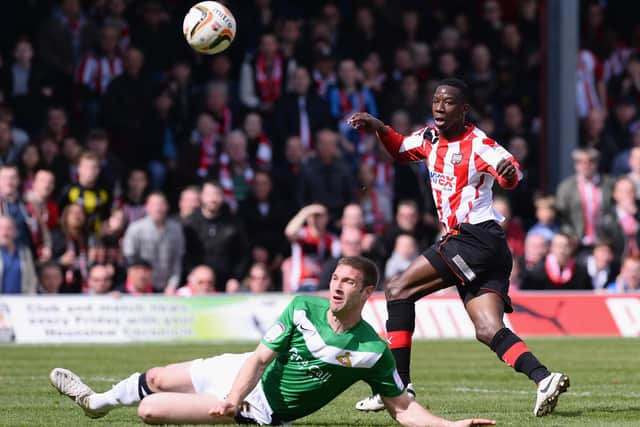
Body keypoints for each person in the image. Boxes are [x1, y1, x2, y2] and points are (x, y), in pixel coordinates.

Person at [50, 256, 495, 427]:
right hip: (242, 377)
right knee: (156, 377)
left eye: (348, 282)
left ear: (366, 294)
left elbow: (403, 409)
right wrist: (231, 393)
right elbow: (261, 357)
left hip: (258, 410)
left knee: (150, 411)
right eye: (335, 278)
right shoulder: (303, 306)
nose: (337, 287)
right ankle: (97, 402)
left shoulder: (371, 351)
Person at [348, 78, 569, 417]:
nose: (439, 107)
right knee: (487, 329)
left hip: (474, 237)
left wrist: (508, 175)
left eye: (448, 102)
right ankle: (543, 378)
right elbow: (398, 149)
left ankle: (397, 386)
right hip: (486, 247)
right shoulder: (428, 138)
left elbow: (512, 174)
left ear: (464, 110)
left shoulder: (479, 143)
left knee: (398, 289)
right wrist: (379, 126)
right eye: (436, 100)